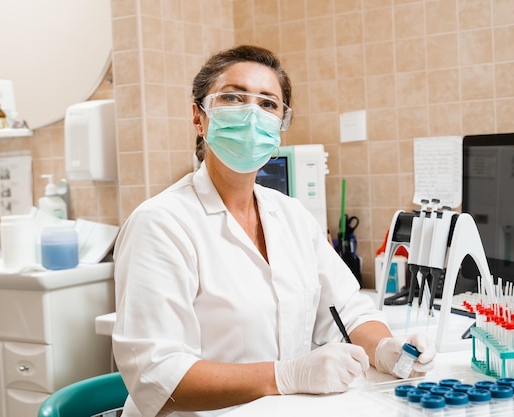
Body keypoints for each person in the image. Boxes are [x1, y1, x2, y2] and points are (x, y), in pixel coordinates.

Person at [112, 45, 436, 417]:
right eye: (233, 97)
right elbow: (159, 375)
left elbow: (348, 310)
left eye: (268, 104)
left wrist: (384, 348)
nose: (251, 113)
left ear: (281, 124)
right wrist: (284, 376)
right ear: (199, 118)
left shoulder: (292, 216)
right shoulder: (161, 223)